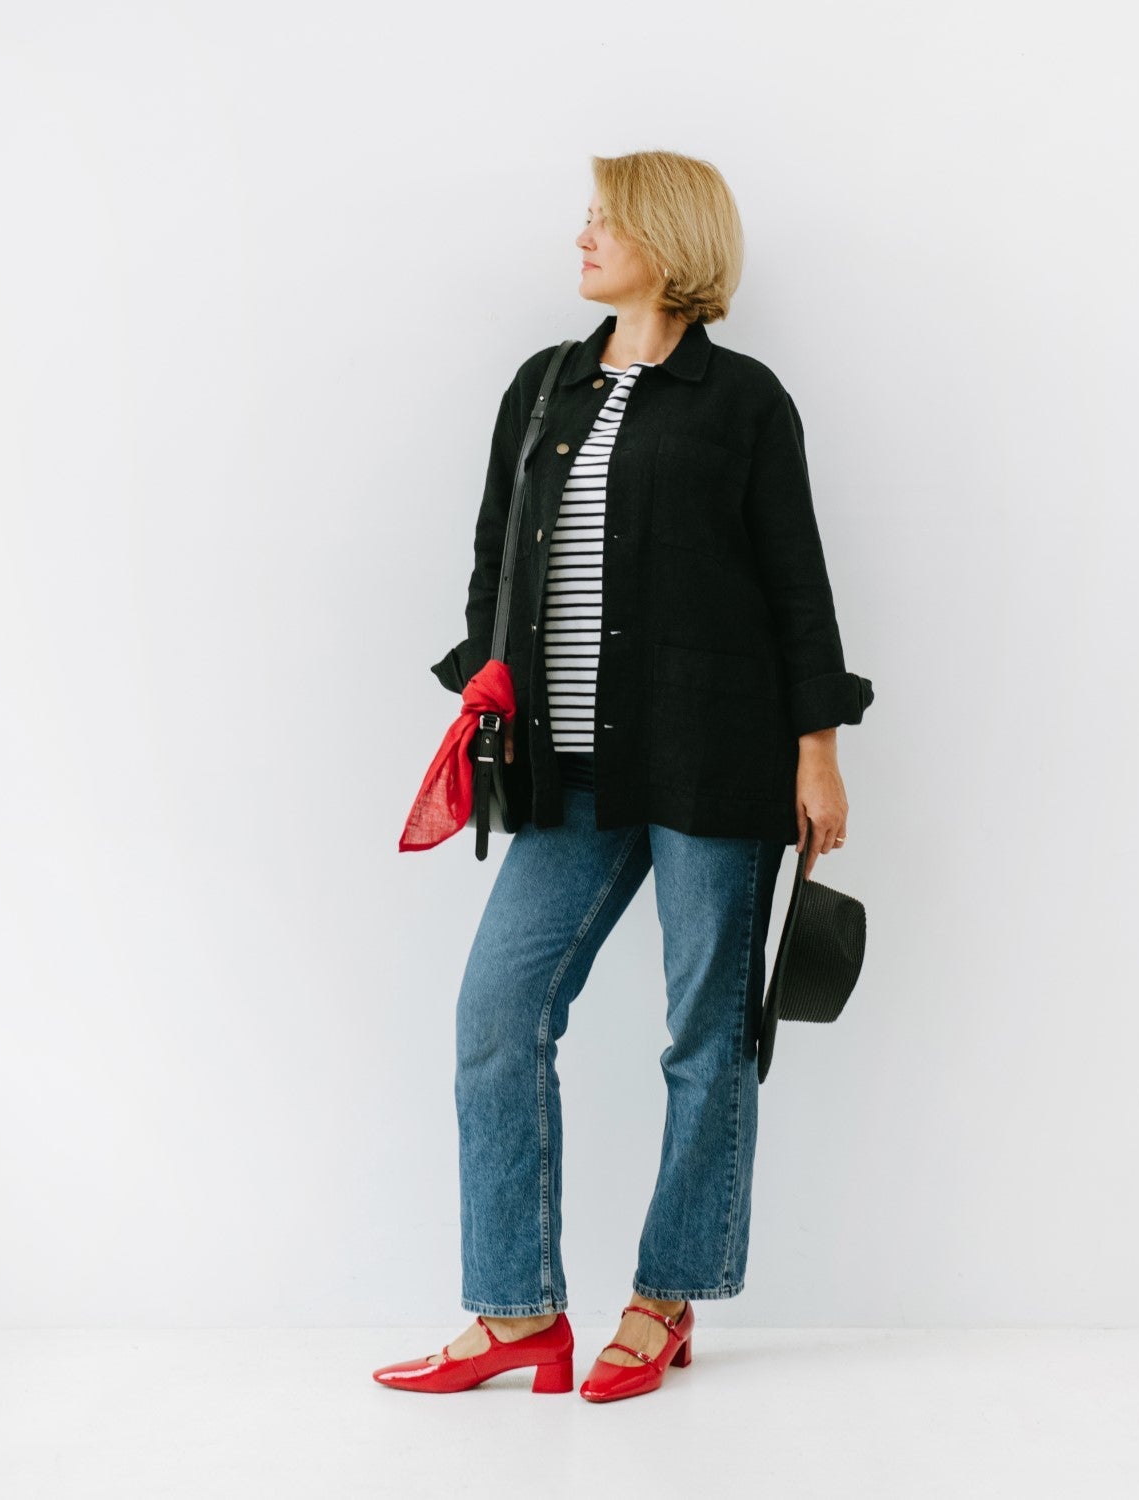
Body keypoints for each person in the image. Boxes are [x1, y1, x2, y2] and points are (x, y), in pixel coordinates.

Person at [375, 150, 873, 1402]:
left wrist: (817, 752)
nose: (584, 235)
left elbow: (797, 585)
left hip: (716, 760)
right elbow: (496, 562)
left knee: (706, 1033)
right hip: (569, 773)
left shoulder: (744, 400)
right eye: (588, 216)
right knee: (497, 1016)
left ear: (672, 240)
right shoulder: (544, 384)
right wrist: (488, 693)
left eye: (609, 218)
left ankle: (666, 1296)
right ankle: (516, 1313)